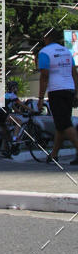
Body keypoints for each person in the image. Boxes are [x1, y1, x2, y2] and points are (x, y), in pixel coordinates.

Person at [37, 35, 78, 164]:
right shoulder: (66, 51)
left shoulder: (44, 52)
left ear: (46, 39)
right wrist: (76, 92)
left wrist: (40, 98)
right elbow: (74, 72)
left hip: (56, 90)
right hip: (69, 89)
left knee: (65, 124)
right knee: (61, 125)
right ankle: (54, 154)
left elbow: (44, 76)